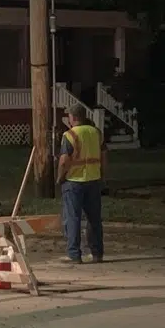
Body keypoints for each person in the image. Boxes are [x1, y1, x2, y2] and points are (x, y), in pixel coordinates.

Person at [56, 102, 105, 264]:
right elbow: (104, 156)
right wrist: (102, 173)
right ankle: (97, 253)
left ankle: (74, 254)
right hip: (93, 179)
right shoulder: (96, 133)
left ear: (73, 117)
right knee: (94, 219)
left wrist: (59, 177)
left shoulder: (70, 135)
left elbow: (64, 161)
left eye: (69, 116)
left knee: (73, 218)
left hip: (74, 181)